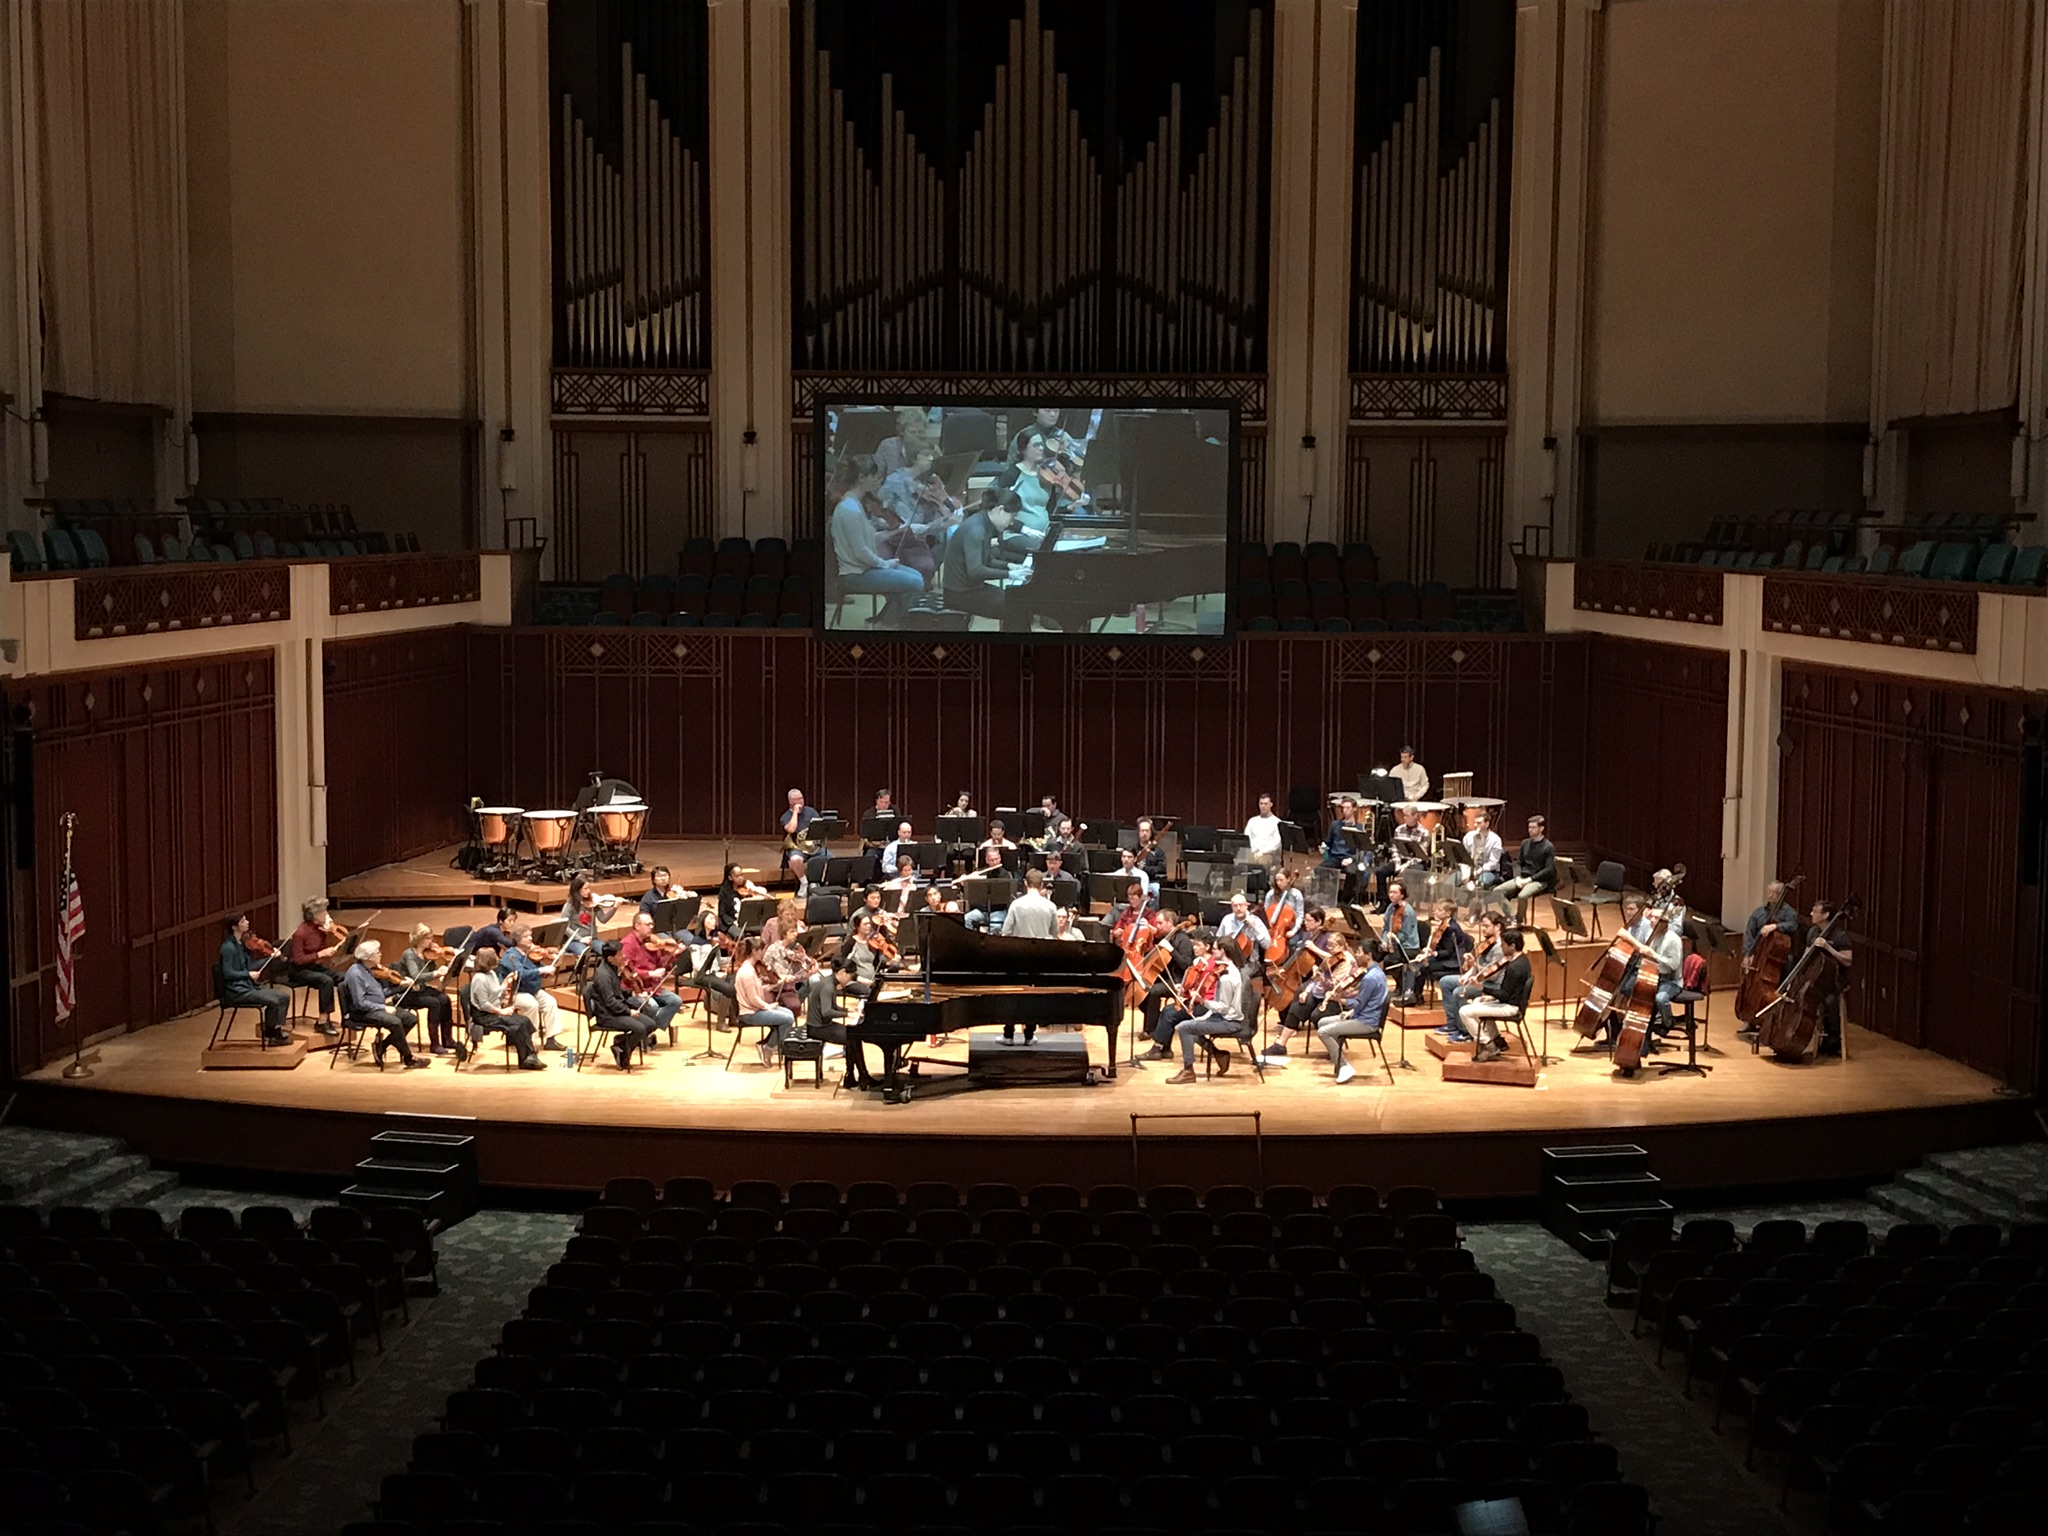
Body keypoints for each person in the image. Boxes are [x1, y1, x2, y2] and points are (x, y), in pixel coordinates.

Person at [828, 453, 924, 625]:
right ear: (861, 477)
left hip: (864, 569)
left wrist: (892, 532)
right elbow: (861, 551)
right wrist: (884, 564)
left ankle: (883, 621)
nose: (876, 479)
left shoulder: (854, 504)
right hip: (855, 575)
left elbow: (867, 539)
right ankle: (886, 624)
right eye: (873, 476)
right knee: (915, 583)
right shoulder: (850, 510)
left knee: (916, 575)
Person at [1262, 917, 1357, 1066]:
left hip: (1336, 998)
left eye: (1332, 947)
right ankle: (1280, 1044)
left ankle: (1334, 1047)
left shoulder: (1347, 962)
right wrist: (1307, 991)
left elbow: (1337, 986)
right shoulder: (1331, 958)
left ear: (1341, 946)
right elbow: (1316, 978)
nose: (1329, 950)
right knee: (1297, 1006)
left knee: (1317, 1016)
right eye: (1329, 946)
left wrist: (1321, 981)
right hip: (1320, 993)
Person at [1164, 938, 1251, 1083]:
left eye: (1215, 949)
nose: (1212, 951)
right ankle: (1218, 1054)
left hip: (1229, 1021)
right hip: (1222, 1017)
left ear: (1223, 951)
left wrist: (1202, 1001)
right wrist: (1202, 1012)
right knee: (1194, 1023)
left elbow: (1224, 1007)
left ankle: (1188, 1071)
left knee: (1184, 1028)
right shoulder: (1224, 970)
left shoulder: (1227, 977)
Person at [937, 491, 1029, 625]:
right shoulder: (976, 530)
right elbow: (975, 571)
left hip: (970, 589)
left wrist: (1009, 566)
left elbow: (988, 560)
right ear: (1000, 510)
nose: (1011, 523)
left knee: (1016, 602)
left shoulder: (982, 522)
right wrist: (1009, 574)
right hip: (959, 594)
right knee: (1016, 607)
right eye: (1012, 517)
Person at [338, 941, 433, 1069]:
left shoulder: (369, 970)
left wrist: (401, 986)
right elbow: (359, 1003)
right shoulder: (356, 974)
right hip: (362, 1013)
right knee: (395, 1022)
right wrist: (383, 1008)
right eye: (377, 952)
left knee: (410, 1019)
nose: (381, 954)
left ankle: (382, 1045)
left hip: (376, 1007)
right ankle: (408, 1058)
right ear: (369, 957)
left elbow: (380, 994)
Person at [1317, 942, 1391, 1084]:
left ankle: (1343, 1065)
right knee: (1322, 1022)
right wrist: (1351, 1007)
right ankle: (1337, 1059)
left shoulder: (1370, 978)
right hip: (1361, 1015)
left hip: (1366, 1022)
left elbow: (1358, 1004)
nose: (1356, 955)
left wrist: (1339, 999)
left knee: (1323, 1032)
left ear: (1368, 956)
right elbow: (1366, 1000)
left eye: (1358, 952)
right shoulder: (1377, 973)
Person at [218, 913, 293, 1045]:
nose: (247, 922)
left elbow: (251, 966)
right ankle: (272, 1035)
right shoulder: (228, 948)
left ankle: (274, 1030)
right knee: (273, 1001)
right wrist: (247, 975)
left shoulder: (242, 945)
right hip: (237, 991)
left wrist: (269, 958)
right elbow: (227, 973)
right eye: (243, 921)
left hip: (249, 986)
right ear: (235, 927)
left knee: (283, 997)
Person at [1461, 928, 1534, 1063]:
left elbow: (1505, 995)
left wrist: (1482, 987)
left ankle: (1488, 1045)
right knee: (1477, 1001)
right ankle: (1497, 1040)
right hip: (1511, 1001)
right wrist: (1491, 996)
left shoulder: (1514, 968)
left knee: (1464, 1011)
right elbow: (1509, 991)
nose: (1501, 947)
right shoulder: (1522, 960)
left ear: (1512, 946)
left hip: (1511, 1007)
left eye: (1503, 945)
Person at [462, 945, 541, 1067]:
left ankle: (529, 1056)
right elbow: (484, 1004)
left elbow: (496, 991)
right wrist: (501, 1012)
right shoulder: (479, 979)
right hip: (484, 1016)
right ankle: (526, 1058)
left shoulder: (491, 973)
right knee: (517, 1024)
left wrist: (506, 981)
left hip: (494, 1011)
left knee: (524, 1020)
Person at [583, 941, 656, 1071]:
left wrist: (632, 993)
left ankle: (620, 1043)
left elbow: (617, 993)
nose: (623, 956)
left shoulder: (613, 968)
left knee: (650, 1024)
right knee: (639, 1029)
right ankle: (624, 1054)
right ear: (610, 958)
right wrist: (628, 1011)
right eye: (620, 954)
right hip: (607, 1015)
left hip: (617, 1010)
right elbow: (610, 1002)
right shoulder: (603, 976)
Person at [1438, 911, 1505, 1045]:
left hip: (1490, 985)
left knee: (1459, 992)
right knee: (1445, 982)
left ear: (1497, 927)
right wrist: (1468, 974)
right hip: (1478, 979)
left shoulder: (1500, 948)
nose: (1483, 929)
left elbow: (1493, 974)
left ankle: (1466, 1032)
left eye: (1486, 926)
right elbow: (1477, 966)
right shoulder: (1486, 943)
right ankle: (1452, 1025)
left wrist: (1475, 965)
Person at [1797, 900, 1852, 1059]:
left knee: (1829, 1000)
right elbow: (1806, 955)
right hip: (1815, 976)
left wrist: (1828, 947)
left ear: (1826, 915)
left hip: (1835, 979)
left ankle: (1833, 1040)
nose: (1811, 914)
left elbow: (1848, 960)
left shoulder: (1840, 935)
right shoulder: (1813, 932)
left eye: (1815, 911)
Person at [620, 914, 685, 1040]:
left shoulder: (652, 942)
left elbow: (660, 964)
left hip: (653, 987)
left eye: (652, 924)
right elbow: (626, 971)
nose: (651, 927)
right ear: (637, 926)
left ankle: (649, 1030)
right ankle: (644, 1034)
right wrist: (650, 974)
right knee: (653, 1006)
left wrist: (674, 954)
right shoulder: (628, 944)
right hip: (636, 988)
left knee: (676, 1001)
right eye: (648, 924)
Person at [285, 897, 345, 1036]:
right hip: (298, 971)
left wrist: (329, 937)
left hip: (315, 967)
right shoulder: (300, 933)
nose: (327, 915)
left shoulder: (320, 929)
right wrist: (320, 954)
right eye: (323, 912)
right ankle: (323, 1021)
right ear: (314, 916)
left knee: (344, 978)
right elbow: (298, 959)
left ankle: (347, 1015)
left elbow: (322, 950)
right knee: (326, 981)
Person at [731, 937, 794, 1067]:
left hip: (756, 1010)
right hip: (750, 1014)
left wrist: (772, 986)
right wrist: (768, 1007)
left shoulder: (750, 969)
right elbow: (753, 999)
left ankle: (766, 1044)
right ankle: (769, 1047)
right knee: (787, 1019)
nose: (763, 953)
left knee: (788, 1013)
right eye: (761, 950)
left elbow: (756, 990)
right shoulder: (747, 972)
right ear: (754, 951)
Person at [503, 922, 567, 1050]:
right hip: (515, 993)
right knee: (532, 1005)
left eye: (530, 936)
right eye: (527, 936)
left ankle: (551, 1039)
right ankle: (529, 1041)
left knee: (550, 1002)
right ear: (518, 939)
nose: (531, 939)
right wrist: (540, 971)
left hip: (531, 990)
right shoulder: (510, 955)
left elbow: (537, 968)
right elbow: (521, 974)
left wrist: (547, 971)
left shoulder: (527, 954)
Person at [395, 923, 457, 1054]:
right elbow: (416, 976)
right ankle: (434, 1043)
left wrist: (442, 971)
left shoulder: (429, 954)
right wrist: (435, 974)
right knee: (434, 1003)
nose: (431, 941)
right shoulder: (409, 955)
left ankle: (448, 1039)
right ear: (419, 939)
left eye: (431, 937)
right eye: (428, 938)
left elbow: (431, 972)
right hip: (407, 992)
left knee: (445, 999)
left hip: (421, 990)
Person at [1407, 900, 1472, 1010]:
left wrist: (1433, 954)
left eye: (1440, 910)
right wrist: (1428, 951)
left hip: (1453, 962)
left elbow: (1449, 952)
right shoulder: (1444, 925)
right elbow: (1441, 946)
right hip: (1445, 958)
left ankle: (1416, 996)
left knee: (1421, 967)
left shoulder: (1452, 928)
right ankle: (1414, 994)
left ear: (1448, 913)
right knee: (1417, 964)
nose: (1436, 911)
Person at [1493, 815, 1557, 907]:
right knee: (1497, 891)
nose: (1530, 830)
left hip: (1538, 880)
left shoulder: (1548, 846)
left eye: (1533, 827)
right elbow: (1519, 863)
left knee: (1522, 896)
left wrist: (1529, 880)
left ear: (1541, 828)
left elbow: (1548, 869)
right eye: (1529, 827)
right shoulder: (1525, 843)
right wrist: (1518, 877)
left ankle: (1519, 919)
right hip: (1523, 877)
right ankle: (1511, 917)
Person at [1743, 881, 1800, 958]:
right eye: (1769, 892)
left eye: (1774, 893)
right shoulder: (1758, 912)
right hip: (1759, 954)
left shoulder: (1789, 912)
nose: (1770, 895)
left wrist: (1775, 926)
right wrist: (1748, 954)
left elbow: (1793, 925)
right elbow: (1749, 933)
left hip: (1781, 956)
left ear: (1781, 894)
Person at [1213, 893, 1270, 969]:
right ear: (1231, 907)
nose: (1238, 908)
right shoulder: (1227, 919)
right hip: (1227, 959)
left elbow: (1267, 944)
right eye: (1235, 906)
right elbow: (1218, 940)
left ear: (1246, 906)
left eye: (1241, 905)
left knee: (1242, 976)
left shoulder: (1256, 921)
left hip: (1249, 962)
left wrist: (1255, 928)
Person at [962, 845, 1012, 931]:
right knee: (966, 919)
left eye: (997, 859)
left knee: (995, 926)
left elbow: (1007, 896)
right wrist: (965, 883)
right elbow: (972, 893)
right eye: (992, 860)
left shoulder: (1005, 875)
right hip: (982, 911)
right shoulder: (980, 873)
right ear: (987, 860)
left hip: (998, 910)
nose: (995, 862)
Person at [1000, 868, 1060, 940]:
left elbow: (1006, 932)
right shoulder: (1051, 906)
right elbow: (1054, 934)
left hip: (1021, 948)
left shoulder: (1016, 905)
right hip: (1042, 948)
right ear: (1042, 884)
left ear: (1025, 882)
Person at [1263, 868, 1307, 960]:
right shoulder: (1271, 894)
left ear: (1288, 879)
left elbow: (1300, 915)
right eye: (1277, 880)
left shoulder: (1296, 894)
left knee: (1292, 943)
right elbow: (1266, 913)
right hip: (1273, 928)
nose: (1279, 883)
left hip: (1291, 927)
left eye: (1281, 880)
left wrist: (1293, 931)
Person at [780, 788, 827, 871]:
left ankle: (816, 881)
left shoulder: (811, 811)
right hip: (797, 848)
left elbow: (819, 827)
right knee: (795, 860)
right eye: (796, 799)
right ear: (790, 801)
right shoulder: (785, 816)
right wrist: (795, 813)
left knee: (832, 859)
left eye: (801, 798)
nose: (800, 801)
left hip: (813, 847)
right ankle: (804, 882)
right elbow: (791, 830)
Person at [1462, 811, 1504, 894]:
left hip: (1488, 871)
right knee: (1450, 883)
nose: (1475, 825)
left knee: (1480, 884)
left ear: (1487, 824)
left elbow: (1493, 864)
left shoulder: (1495, 840)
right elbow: (1463, 858)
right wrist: (1465, 872)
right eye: (1475, 823)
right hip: (1469, 869)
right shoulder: (1468, 837)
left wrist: (1476, 872)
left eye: (1479, 823)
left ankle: (1476, 904)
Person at [1243, 794, 1283, 862]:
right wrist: (1253, 852)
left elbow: (1277, 843)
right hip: (1253, 853)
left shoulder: (1277, 822)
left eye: (1265, 804)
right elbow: (1247, 838)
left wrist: (1262, 852)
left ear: (1271, 804)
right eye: (1261, 804)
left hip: (1269, 855)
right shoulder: (1252, 821)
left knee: (1262, 860)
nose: (1263, 806)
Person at [1134, 818, 1169, 885]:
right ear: (1138, 832)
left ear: (1151, 833)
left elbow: (1162, 869)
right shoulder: (1132, 850)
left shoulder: (1158, 851)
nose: (1144, 833)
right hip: (1134, 882)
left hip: (1152, 881)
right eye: (1142, 831)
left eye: (1147, 831)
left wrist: (1144, 868)